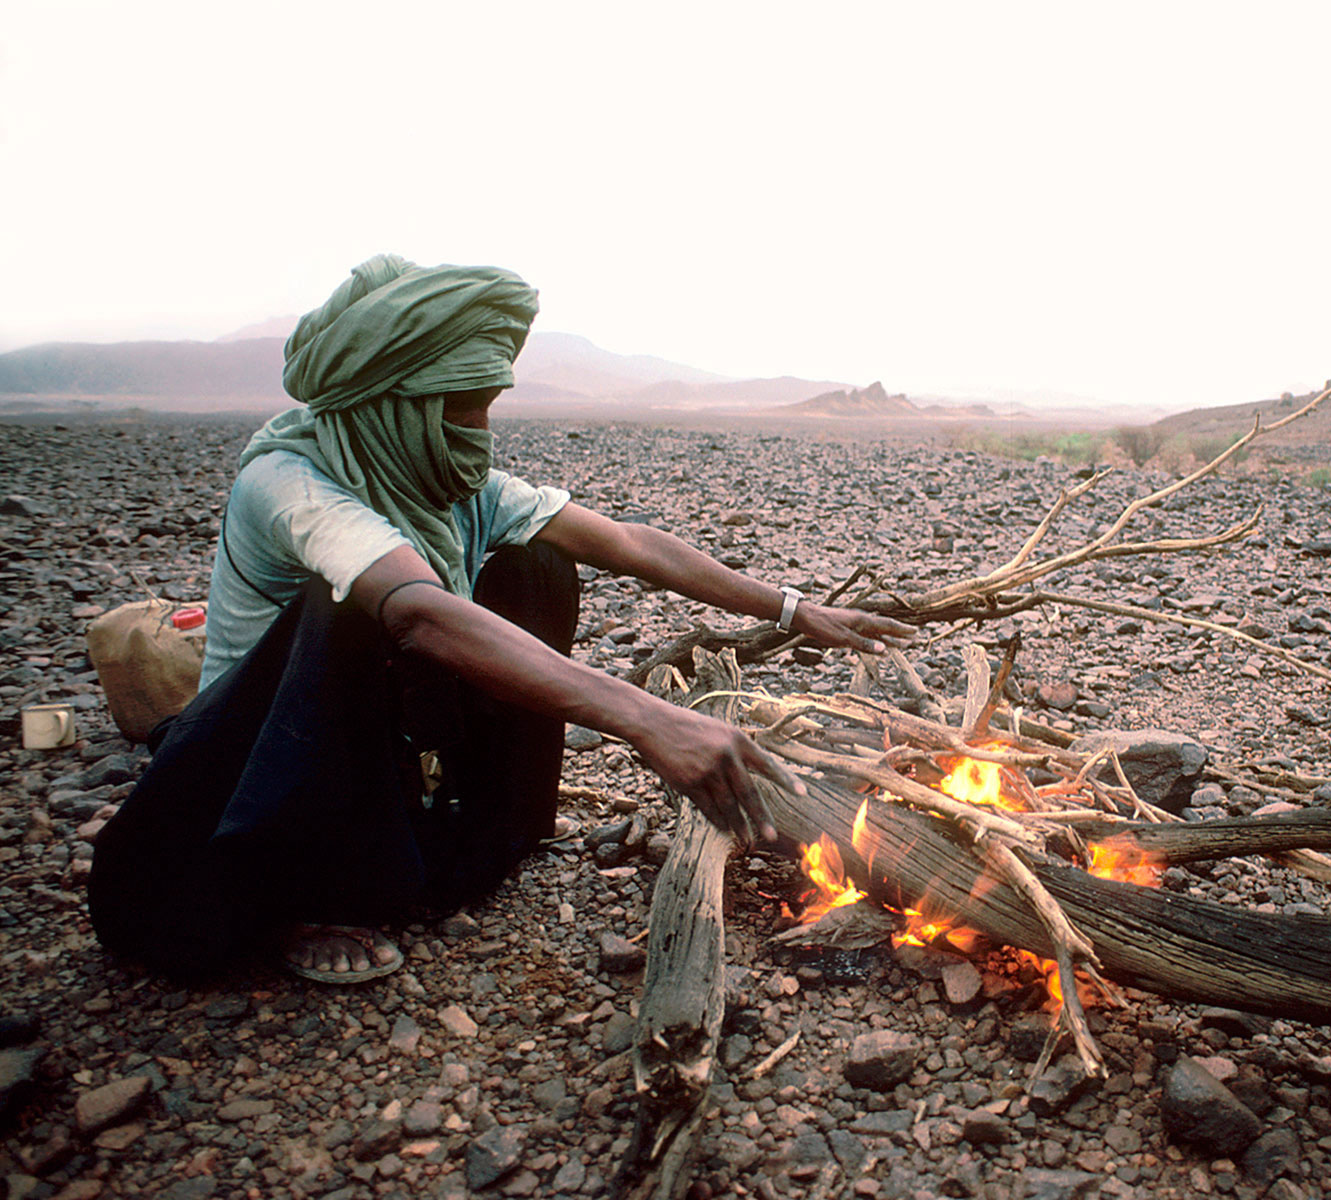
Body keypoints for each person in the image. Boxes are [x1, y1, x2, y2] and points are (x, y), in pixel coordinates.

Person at [87, 255, 911, 983]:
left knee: (538, 561)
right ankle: (304, 892)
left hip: (384, 732)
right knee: (352, 610)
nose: (480, 435)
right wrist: (648, 720)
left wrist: (796, 608)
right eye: (464, 409)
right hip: (267, 757)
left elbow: (625, 544)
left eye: (486, 407)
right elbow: (416, 612)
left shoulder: (441, 473)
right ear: (391, 401)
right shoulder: (290, 481)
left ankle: (489, 830)